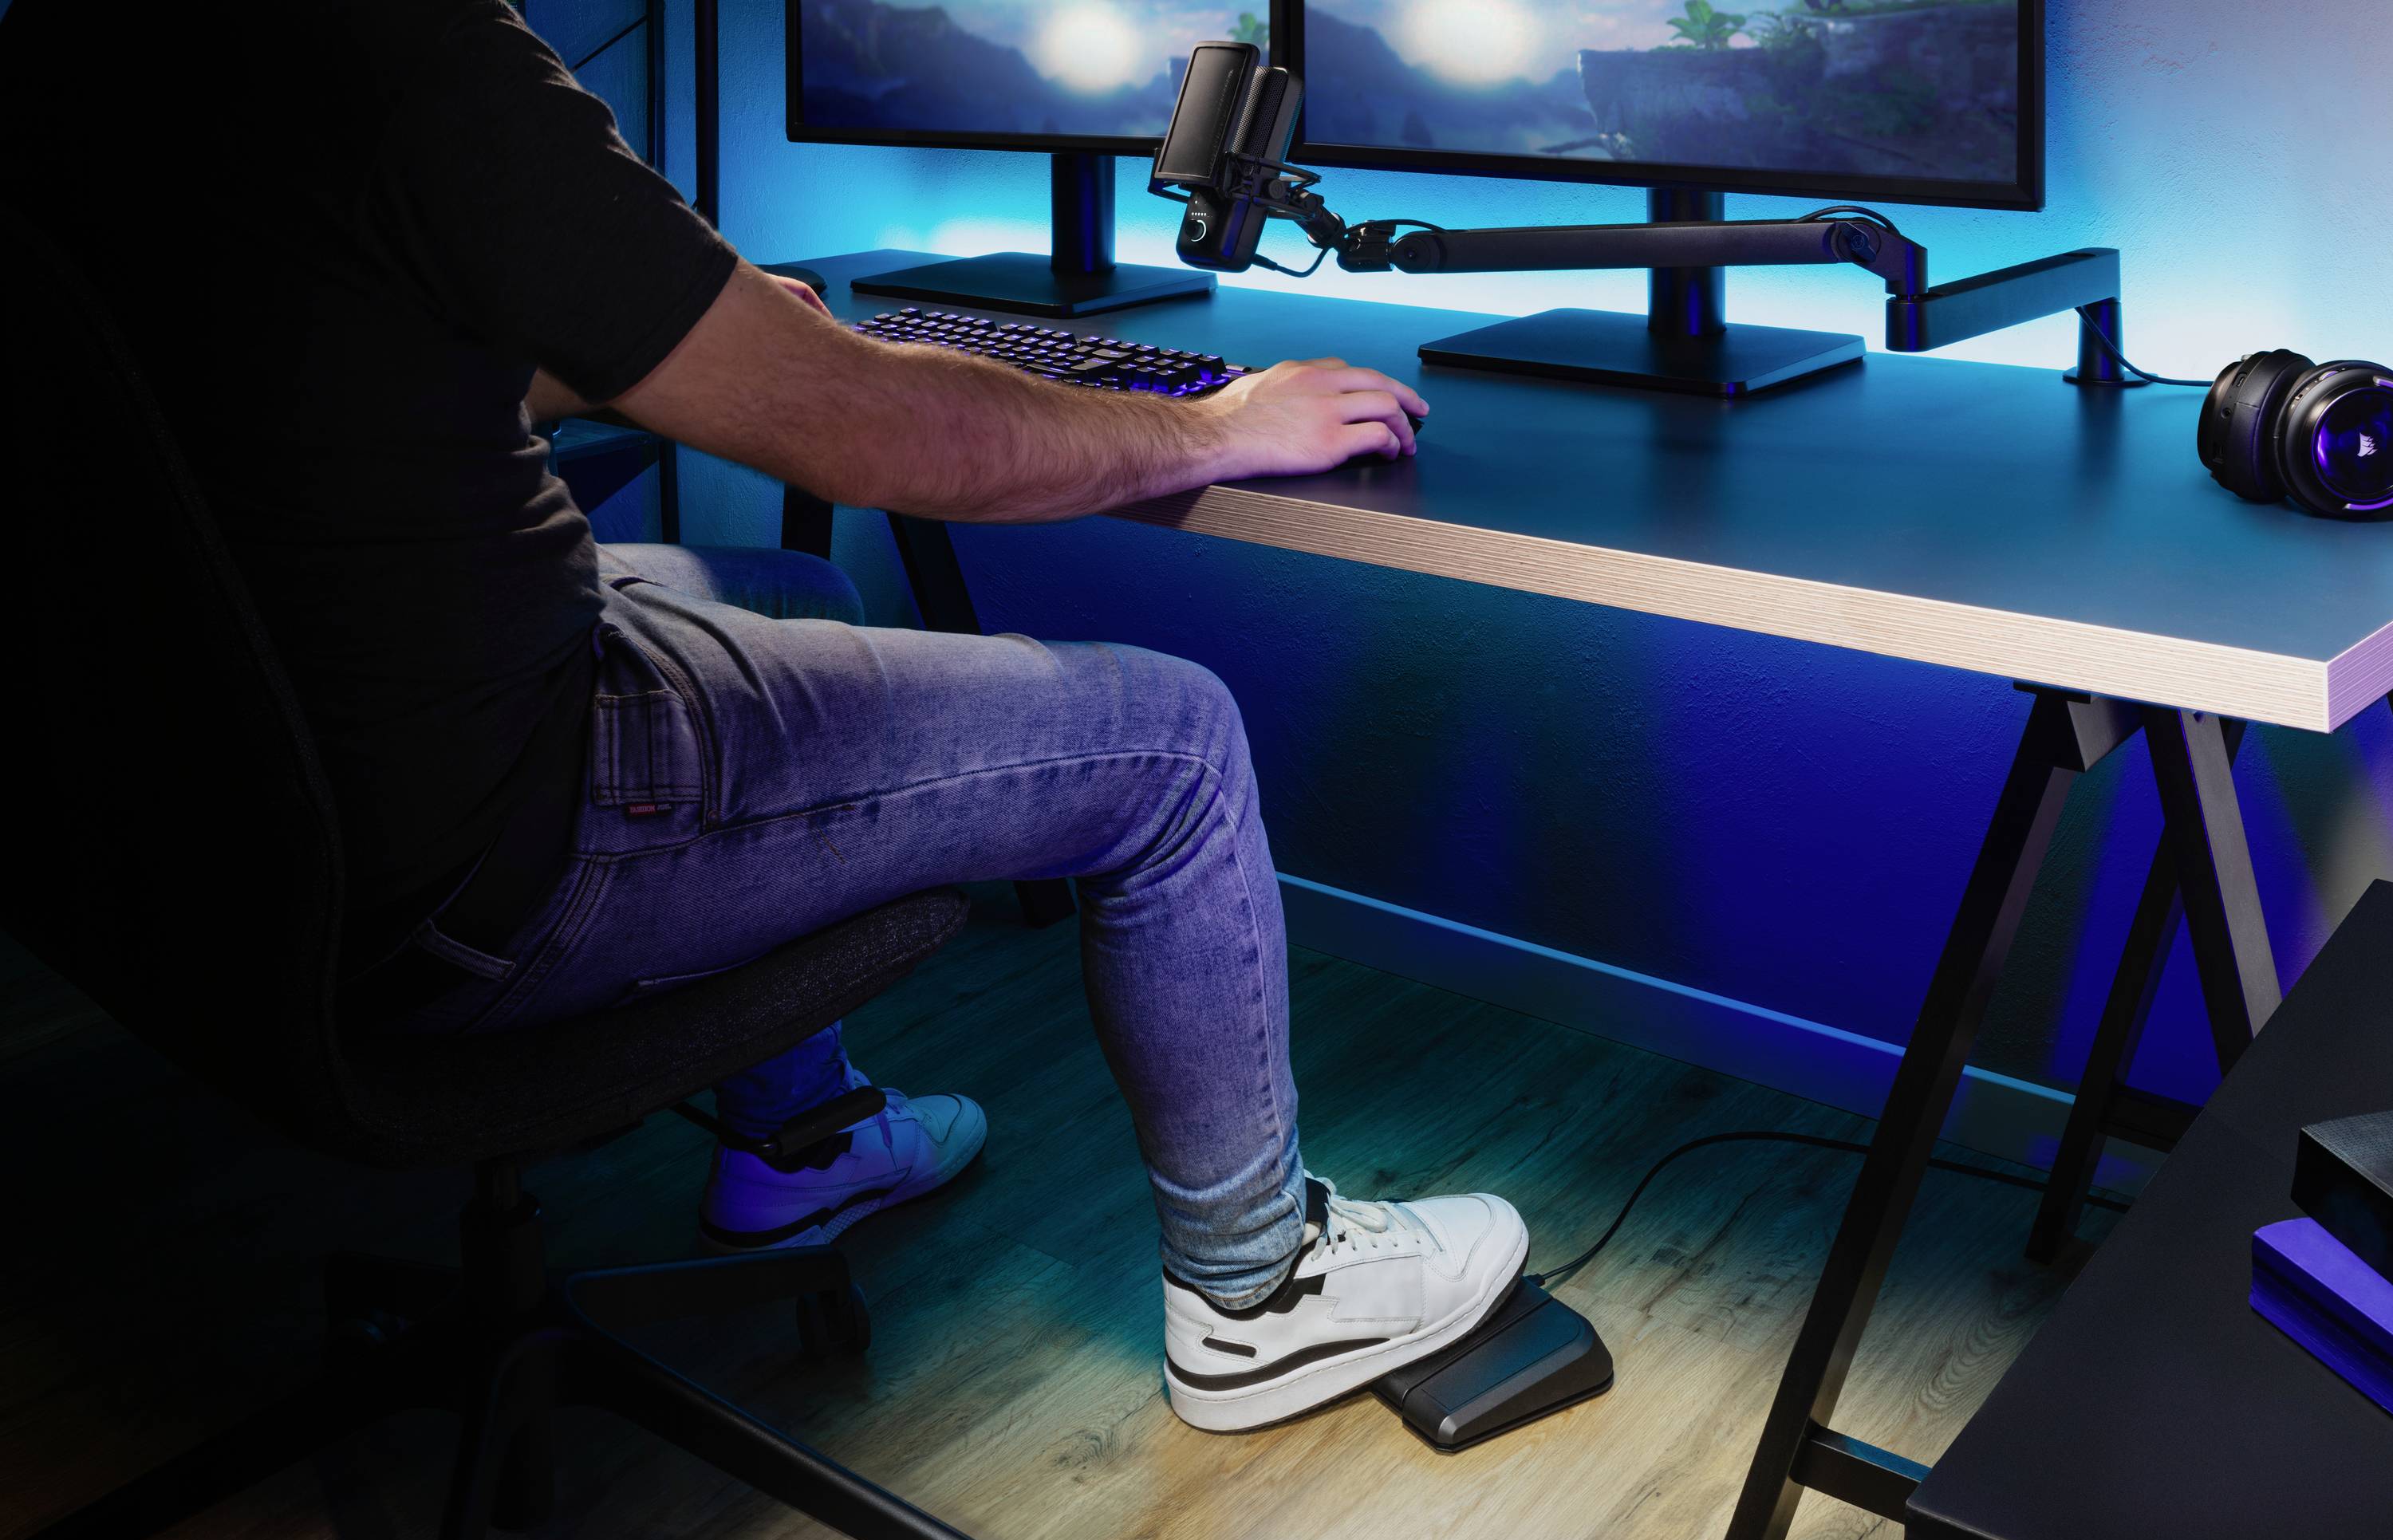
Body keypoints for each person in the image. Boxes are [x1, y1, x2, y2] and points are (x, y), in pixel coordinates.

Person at [0, 0, 1527, 1432]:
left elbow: (322, 355)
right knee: (1175, 739)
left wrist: (647, 347)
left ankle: (803, 1142)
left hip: (232, 819)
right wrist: (1215, 423)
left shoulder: (81, 43)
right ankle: (1260, 1285)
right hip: (498, 837)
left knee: (794, 586)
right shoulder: (414, 52)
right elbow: (883, 436)